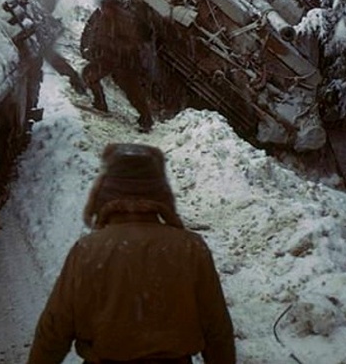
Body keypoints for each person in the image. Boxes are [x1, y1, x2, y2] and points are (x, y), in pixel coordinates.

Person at [28, 143, 236, 364]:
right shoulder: (190, 248)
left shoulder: (87, 250)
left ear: (105, 196)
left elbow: (54, 329)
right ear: (161, 195)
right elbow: (217, 331)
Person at [80, 0, 157, 130]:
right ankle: (100, 103)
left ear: (112, 7)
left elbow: (133, 43)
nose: (103, 10)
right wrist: (96, 48)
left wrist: (114, 48)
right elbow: (99, 34)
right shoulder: (105, 18)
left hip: (125, 62)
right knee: (89, 74)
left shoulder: (125, 20)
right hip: (108, 58)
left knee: (132, 92)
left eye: (105, 7)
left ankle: (146, 119)